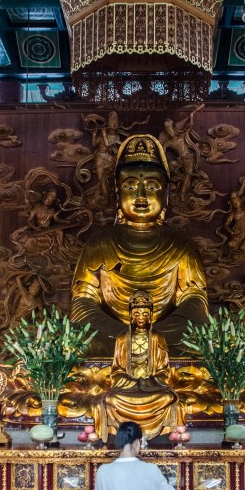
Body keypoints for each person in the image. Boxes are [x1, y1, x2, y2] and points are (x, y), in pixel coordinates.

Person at [71, 134, 208, 356]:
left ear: (165, 195)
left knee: (199, 336)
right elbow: (82, 300)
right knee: (78, 338)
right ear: (118, 194)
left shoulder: (180, 244)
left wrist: (156, 336)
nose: (141, 196)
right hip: (111, 336)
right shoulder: (100, 243)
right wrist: (122, 335)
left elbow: (195, 299)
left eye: (152, 186)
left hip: (167, 336)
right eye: (131, 186)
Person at [98, 289, 183, 441]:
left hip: (152, 387)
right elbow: (116, 370)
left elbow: (164, 370)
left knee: (168, 397)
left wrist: (147, 381)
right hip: (127, 387)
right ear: (131, 316)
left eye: (145, 314)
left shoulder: (157, 337)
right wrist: (132, 381)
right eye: (137, 314)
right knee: (111, 398)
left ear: (150, 315)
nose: (141, 317)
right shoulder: (123, 338)